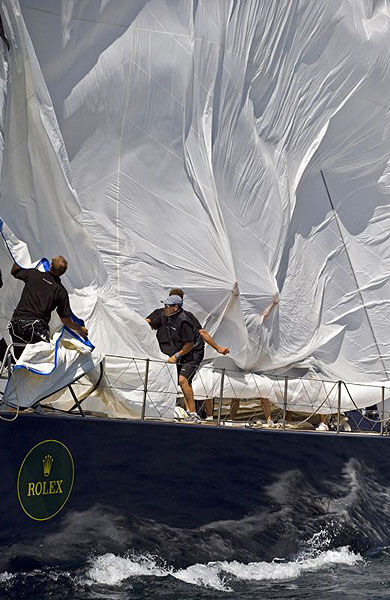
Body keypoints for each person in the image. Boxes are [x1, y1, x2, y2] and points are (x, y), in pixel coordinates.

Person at [9, 256, 88, 358]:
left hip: (16, 324)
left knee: (20, 360)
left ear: (50, 266)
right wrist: (80, 328)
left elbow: (14, 271)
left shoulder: (33, 274)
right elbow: (65, 320)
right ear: (63, 273)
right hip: (35, 329)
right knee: (42, 361)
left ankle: (14, 370)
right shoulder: (60, 291)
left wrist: (19, 256)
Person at [147, 294, 203, 420]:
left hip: (192, 353)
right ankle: (164, 409)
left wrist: (176, 355)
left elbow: (190, 344)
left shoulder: (183, 321)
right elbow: (149, 324)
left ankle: (193, 413)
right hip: (178, 351)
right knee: (170, 379)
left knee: (183, 380)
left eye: (167, 306)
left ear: (175, 308)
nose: (164, 308)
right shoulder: (165, 316)